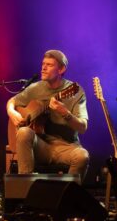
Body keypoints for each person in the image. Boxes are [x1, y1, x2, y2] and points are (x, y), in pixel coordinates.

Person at [6, 50, 89, 180]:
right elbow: (12, 101)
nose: (43, 68)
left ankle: (66, 191)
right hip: (41, 145)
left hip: (66, 146)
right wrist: (11, 111)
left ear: (61, 69)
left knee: (82, 156)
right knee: (23, 132)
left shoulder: (75, 91)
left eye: (49, 65)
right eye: (43, 64)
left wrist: (65, 113)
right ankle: (26, 188)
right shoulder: (36, 88)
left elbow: (83, 127)